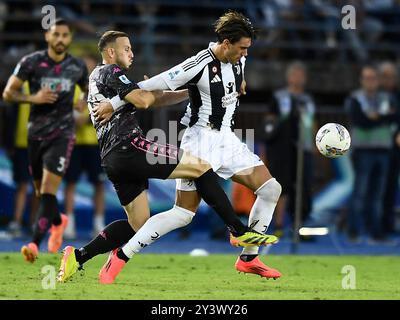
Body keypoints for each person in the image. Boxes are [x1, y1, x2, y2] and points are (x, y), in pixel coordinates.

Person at [56, 30, 277, 284]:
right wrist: (144, 92)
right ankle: (238, 229)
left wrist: (192, 88)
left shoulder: (100, 79)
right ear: (110, 52)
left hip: (112, 158)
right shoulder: (110, 72)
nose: (131, 53)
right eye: (126, 48)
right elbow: (143, 99)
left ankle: (78, 255)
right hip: (130, 145)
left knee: (138, 223)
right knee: (200, 167)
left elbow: (152, 98)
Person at [2, 18, 88, 262]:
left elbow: (90, 88)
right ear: (47, 37)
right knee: (41, 194)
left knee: (49, 190)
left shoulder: (78, 66)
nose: (61, 39)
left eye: (65, 35)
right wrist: (34, 98)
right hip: (35, 135)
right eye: (56, 34)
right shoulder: (30, 63)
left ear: (70, 39)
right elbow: (8, 93)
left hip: (63, 134)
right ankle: (59, 222)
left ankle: (34, 243)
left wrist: (84, 101)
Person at [262, 61, 315, 239]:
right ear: (288, 77)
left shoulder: (308, 100)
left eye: (301, 75)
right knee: (282, 186)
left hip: (304, 147)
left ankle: (299, 226)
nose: (298, 78)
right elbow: (269, 123)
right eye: (295, 74)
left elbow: (312, 122)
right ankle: (278, 225)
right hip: (282, 149)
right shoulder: (279, 97)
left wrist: (314, 144)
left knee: (302, 187)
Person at [345, 64, 397, 243]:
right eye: (367, 78)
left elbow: (394, 116)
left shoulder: (386, 97)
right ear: (361, 80)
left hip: (383, 150)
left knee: (378, 195)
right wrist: (380, 118)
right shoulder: (355, 98)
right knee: (360, 192)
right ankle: (353, 232)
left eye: (373, 78)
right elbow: (360, 121)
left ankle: (376, 233)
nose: (371, 81)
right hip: (363, 150)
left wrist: (375, 117)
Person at [63, 54, 106, 239]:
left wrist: (87, 115)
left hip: (95, 143)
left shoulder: (102, 89)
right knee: (70, 183)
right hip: (73, 142)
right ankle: (69, 225)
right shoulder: (69, 90)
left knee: (99, 184)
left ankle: (98, 225)